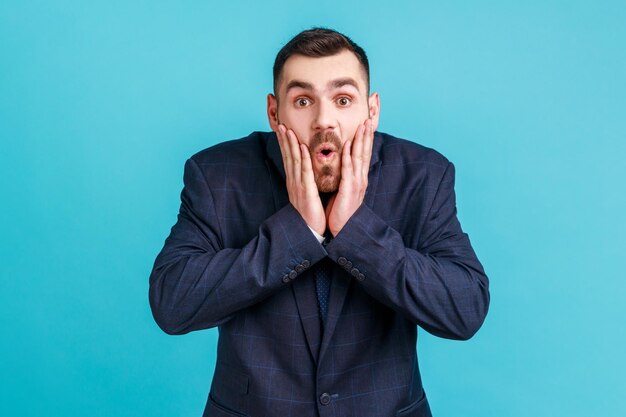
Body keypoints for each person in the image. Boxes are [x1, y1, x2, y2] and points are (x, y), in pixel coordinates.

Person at [149, 28, 490, 417]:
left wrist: (357, 231)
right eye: (303, 100)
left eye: (343, 99)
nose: (323, 120)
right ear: (274, 112)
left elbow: (465, 310)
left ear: (371, 110)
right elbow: (171, 303)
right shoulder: (217, 176)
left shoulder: (423, 175)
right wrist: (298, 232)